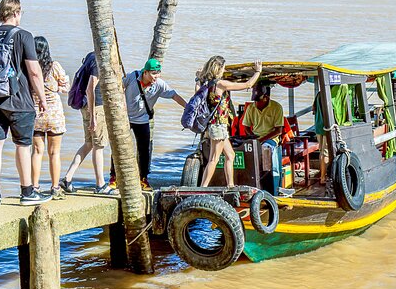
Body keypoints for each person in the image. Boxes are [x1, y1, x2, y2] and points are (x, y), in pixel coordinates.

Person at [0, 0, 52, 207]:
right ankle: (27, 192)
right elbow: (34, 72)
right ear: (16, 13)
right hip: (19, 100)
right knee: (23, 145)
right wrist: (42, 99)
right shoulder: (24, 36)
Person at [109, 58, 187, 191]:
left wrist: (188, 108)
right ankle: (114, 177)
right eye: (153, 73)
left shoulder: (159, 84)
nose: (156, 77)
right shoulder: (132, 77)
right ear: (145, 72)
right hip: (126, 119)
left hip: (143, 120)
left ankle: (143, 178)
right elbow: (117, 88)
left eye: (158, 73)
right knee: (118, 146)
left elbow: (174, 96)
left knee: (144, 150)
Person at [198, 56, 262, 188]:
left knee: (231, 155)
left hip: (214, 126)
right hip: (218, 126)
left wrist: (197, 79)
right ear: (219, 69)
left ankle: (230, 185)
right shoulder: (220, 84)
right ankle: (202, 188)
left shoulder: (206, 84)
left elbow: (196, 94)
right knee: (213, 159)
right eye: (223, 67)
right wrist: (257, 72)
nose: (224, 70)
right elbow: (248, 85)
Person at [60, 52, 117, 195]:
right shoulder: (100, 60)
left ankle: (67, 178)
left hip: (86, 107)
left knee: (89, 144)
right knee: (98, 145)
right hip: (96, 108)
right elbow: (90, 88)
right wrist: (93, 117)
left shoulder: (91, 56)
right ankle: (100, 185)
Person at [30, 36, 69, 199]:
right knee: (54, 153)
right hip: (54, 114)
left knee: (37, 152)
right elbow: (66, 87)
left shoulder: (29, 67)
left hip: (36, 113)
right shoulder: (55, 66)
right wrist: (57, 87)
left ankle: (34, 187)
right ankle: (54, 187)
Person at [242, 83, 284, 192]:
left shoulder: (277, 107)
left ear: (266, 98)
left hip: (271, 139)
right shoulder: (251, 107)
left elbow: (278, 130)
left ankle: (269, 184)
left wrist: (262, 139)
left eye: (258, 100)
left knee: (266, 149)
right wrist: (251, 136)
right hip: (255, 137)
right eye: (255, 101)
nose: (256, 103)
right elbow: (246, 126)